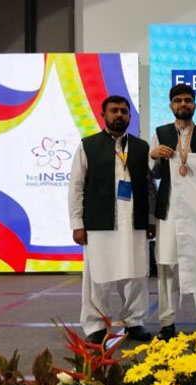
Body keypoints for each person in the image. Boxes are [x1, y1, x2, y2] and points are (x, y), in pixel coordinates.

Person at [69, 95, 154, 344]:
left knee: (137, 275)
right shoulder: (88, 146)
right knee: (99, 275)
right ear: (103, 115)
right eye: (114, 111)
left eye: (124, 111)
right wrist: (77, 224)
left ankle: (135, 322)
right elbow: (76, 187)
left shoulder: (141, 148)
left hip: (135, 222)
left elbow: (150, 188)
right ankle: (95, 324)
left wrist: (151, 219)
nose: (119, 115)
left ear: (129, 116)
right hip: (100, 222)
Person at [150, 84, 196, 340]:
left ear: (195, 105)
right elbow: (153, 174)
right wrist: (154, 155)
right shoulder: (160, 133)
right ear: (170, 105)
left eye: (188, 100)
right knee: (167, 266)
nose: (183, 104)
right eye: (178, 100)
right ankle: (167, 323)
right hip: (169, 208)